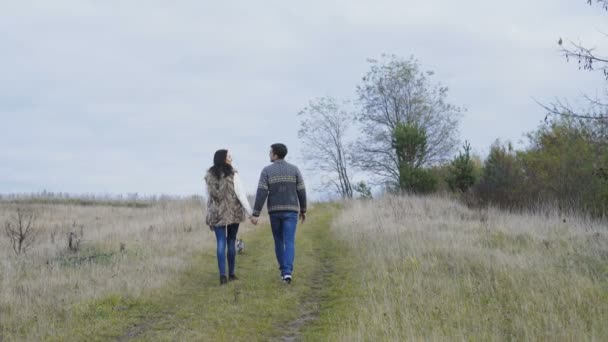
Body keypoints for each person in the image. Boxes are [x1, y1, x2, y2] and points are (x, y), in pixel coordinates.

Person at [251, 143, 307, 284]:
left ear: (275, 154)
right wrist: (303, 209)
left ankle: (284, 271)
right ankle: (287, 272)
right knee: (289, 241)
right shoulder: (294, 170)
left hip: (275, 211)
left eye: (270, 152)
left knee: (278, 241)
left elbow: (261, 192)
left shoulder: (267, 171)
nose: (269, 154)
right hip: (291, 210)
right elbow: (301, 190)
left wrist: (256, 213)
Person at [205, 149, 253, 285]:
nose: (231, 158)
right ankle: (231, 274)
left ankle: (222, 276)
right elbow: (241, 195)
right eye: (229, 156)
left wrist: (208, 214)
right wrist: (250, 213)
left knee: (221, 243)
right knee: (231, 241)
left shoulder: (210, 175)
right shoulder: (233, 174)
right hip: (233, 212)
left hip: (216, 214)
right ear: (223, 159)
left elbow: (209, 198)